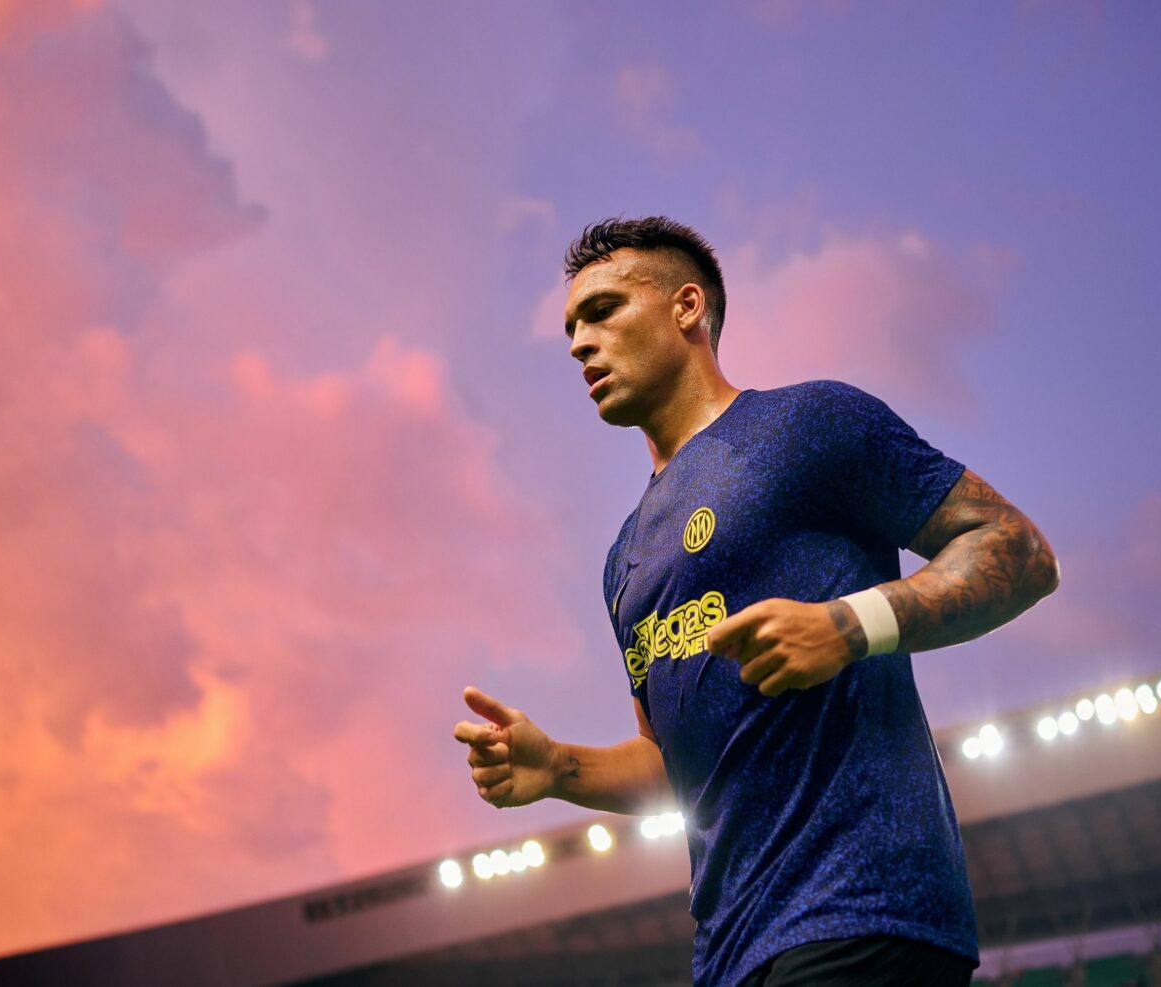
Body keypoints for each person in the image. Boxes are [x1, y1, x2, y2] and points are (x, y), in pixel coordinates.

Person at [454, 215, 1060, 986]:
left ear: (687, 307)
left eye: (603, 310)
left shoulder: (811, 424)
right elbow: (673, 766)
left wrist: (850, 624)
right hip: (731, 951)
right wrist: (561, 767)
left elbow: (1016, 547)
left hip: (862, 906)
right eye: (571, 326)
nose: (579, 342)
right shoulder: (623, 561)